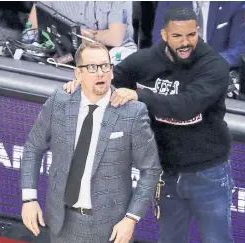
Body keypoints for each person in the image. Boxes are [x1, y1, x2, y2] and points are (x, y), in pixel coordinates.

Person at [64, 6, 235, 243]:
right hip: (167, 172)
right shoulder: (147, 60)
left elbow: (187, 106)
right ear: (164, 35)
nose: (185, 42)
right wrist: (86, 78)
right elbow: (111, 78)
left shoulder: (214, 66)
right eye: (177, 36)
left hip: (207, 173)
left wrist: (139, 95)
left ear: (198, 31)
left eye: (191, 35)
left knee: (218, 240)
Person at [20, 41, 162, 243]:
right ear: (78, 73)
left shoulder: (132, 112)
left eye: (105, 66)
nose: (101, 73)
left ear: (112, 71)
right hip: (62, 222)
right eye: (92, 67)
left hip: (111, 228)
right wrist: (29, 198)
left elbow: (151, 169)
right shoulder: (59, 102)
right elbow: (33, 147)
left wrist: (131, 218)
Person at [153, 1, 245, 69]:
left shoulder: (238, 3)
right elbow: (161, 40)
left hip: (217, 73)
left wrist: (207, 63)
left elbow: (240, 49)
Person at [28, 1, 137, 60]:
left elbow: (115, 39)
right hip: (64, 47)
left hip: (112, 51)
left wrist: (83, 36)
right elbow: (33, 25)